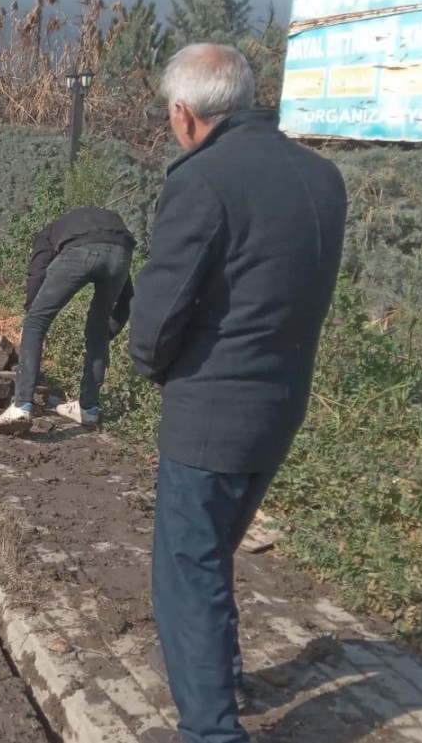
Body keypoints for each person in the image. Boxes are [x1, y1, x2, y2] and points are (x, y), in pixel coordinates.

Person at [129, 44, 347, 743]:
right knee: (214, 550)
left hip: (210, 414)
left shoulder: (203, 181)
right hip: (280, 405)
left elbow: (157, 315)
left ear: (185, 113)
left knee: (185, 574)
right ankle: (224, 681)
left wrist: (150, 365)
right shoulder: (322, 177)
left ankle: (212, 730)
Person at [0, 207, 135, 435]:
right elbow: (127, 299)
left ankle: (21, 406)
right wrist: (107, 334)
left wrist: (31, 314)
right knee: (97, 332)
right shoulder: (112, 231)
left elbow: (38, 272)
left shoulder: (48, 233)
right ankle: (89, 408)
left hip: (79, 252)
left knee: (36, 322)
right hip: (122, 254)